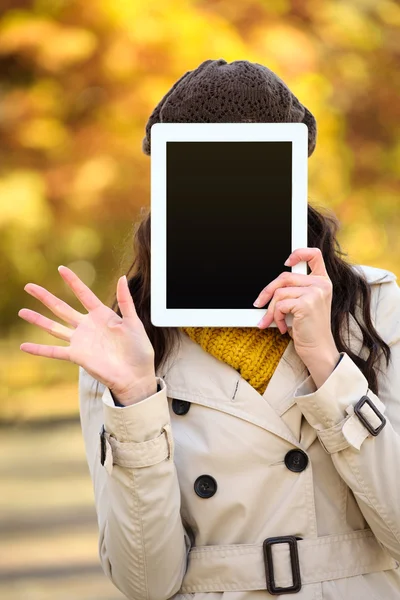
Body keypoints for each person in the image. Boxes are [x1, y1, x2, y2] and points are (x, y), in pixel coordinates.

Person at [19, 59, 400, 600]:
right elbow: (146, 582)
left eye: (258, 174)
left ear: (293, 183)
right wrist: (135, 399)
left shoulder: (370, 308)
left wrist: (328, 364)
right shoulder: (127, 341)